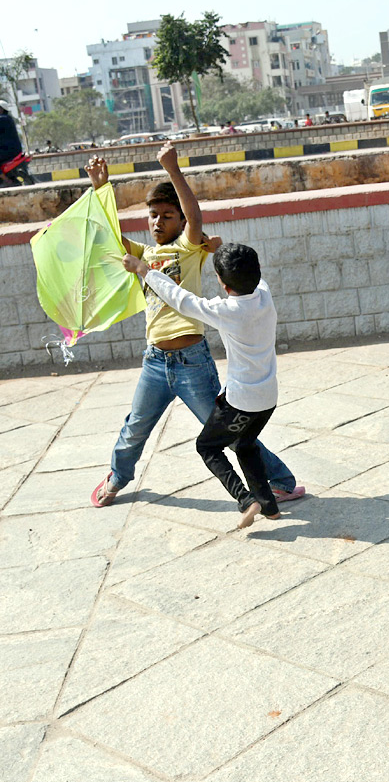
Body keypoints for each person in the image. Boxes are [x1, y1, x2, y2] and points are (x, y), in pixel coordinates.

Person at [86, 142, 304, 509]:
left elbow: (195, 218)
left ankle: (281, 480)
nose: (158, 222)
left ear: (181, 222)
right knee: (135, 426)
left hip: (192, 363)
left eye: (167, 215)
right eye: (152, 215)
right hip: (154, 362)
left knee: (232, 434)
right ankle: (118, 476)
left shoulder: (187, 247)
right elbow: (110, 238)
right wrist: (99, 189)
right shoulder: (145, 253)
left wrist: (173, 169)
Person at [122, 243, 282, 530]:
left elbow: (182, 300)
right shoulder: (265, 297)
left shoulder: (226, 310)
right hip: (268, 398)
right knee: (245, 445)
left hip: (241, 402)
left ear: (222, 282)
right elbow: (254, 277)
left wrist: (144, 270)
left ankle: (246, 500)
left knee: (207, 446)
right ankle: (269, 506)